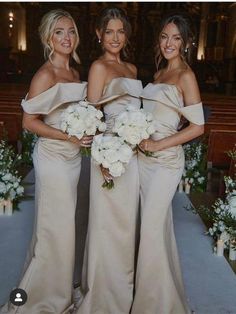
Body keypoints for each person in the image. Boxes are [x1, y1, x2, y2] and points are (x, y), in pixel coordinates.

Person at [1, 9, 92, 314]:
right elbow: (29, 122)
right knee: (56, 227)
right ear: (48, 38)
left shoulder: (76, 73)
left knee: (67, 228)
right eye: (59, 32)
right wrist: (69, 138)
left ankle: (59, 287)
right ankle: (42, 297)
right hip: (53, 158)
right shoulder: (45, 74)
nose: (67, 38)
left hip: (72, 157)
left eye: (71, 31)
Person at [132, 14, 205, 314]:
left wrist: (159, 144)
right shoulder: (160, 72)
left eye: (175, 38)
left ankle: (152, 305)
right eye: (164, 36)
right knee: (153, 227)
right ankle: (158, 295)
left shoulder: (186, 76)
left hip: (166, 160)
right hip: (144, 160)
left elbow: (197, 126)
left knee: (150, 226)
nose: (169, 43)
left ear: (186, 42)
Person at [76, 7, 143, 314]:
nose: (115, 37)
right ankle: (102, 294)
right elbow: (91, 116)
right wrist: (100, 156)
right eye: (109, 31)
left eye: (120, 31)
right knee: (105, 224)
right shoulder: (98, 67)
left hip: (133, 156)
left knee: (127, 225)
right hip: (107, 154)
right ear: (99, 34)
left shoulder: (131, 69)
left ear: (126, 35)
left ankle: (123, 291)